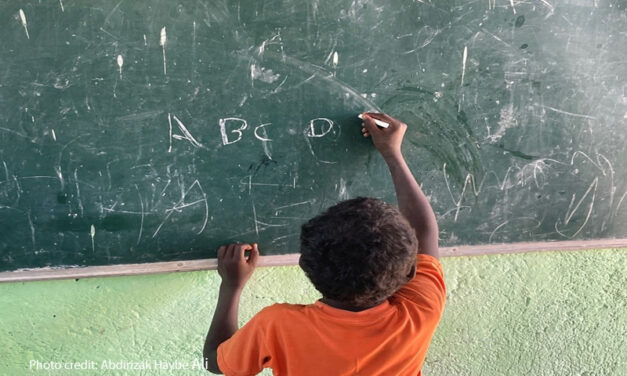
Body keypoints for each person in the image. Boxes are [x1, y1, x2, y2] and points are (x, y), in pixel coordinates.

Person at [203, 113, 445, 375]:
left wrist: (231, 286)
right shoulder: (419, 312)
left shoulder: (278, 325)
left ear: (304, 263)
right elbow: (425, 232)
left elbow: (214, 363)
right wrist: (393, 153)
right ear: (411, 272)